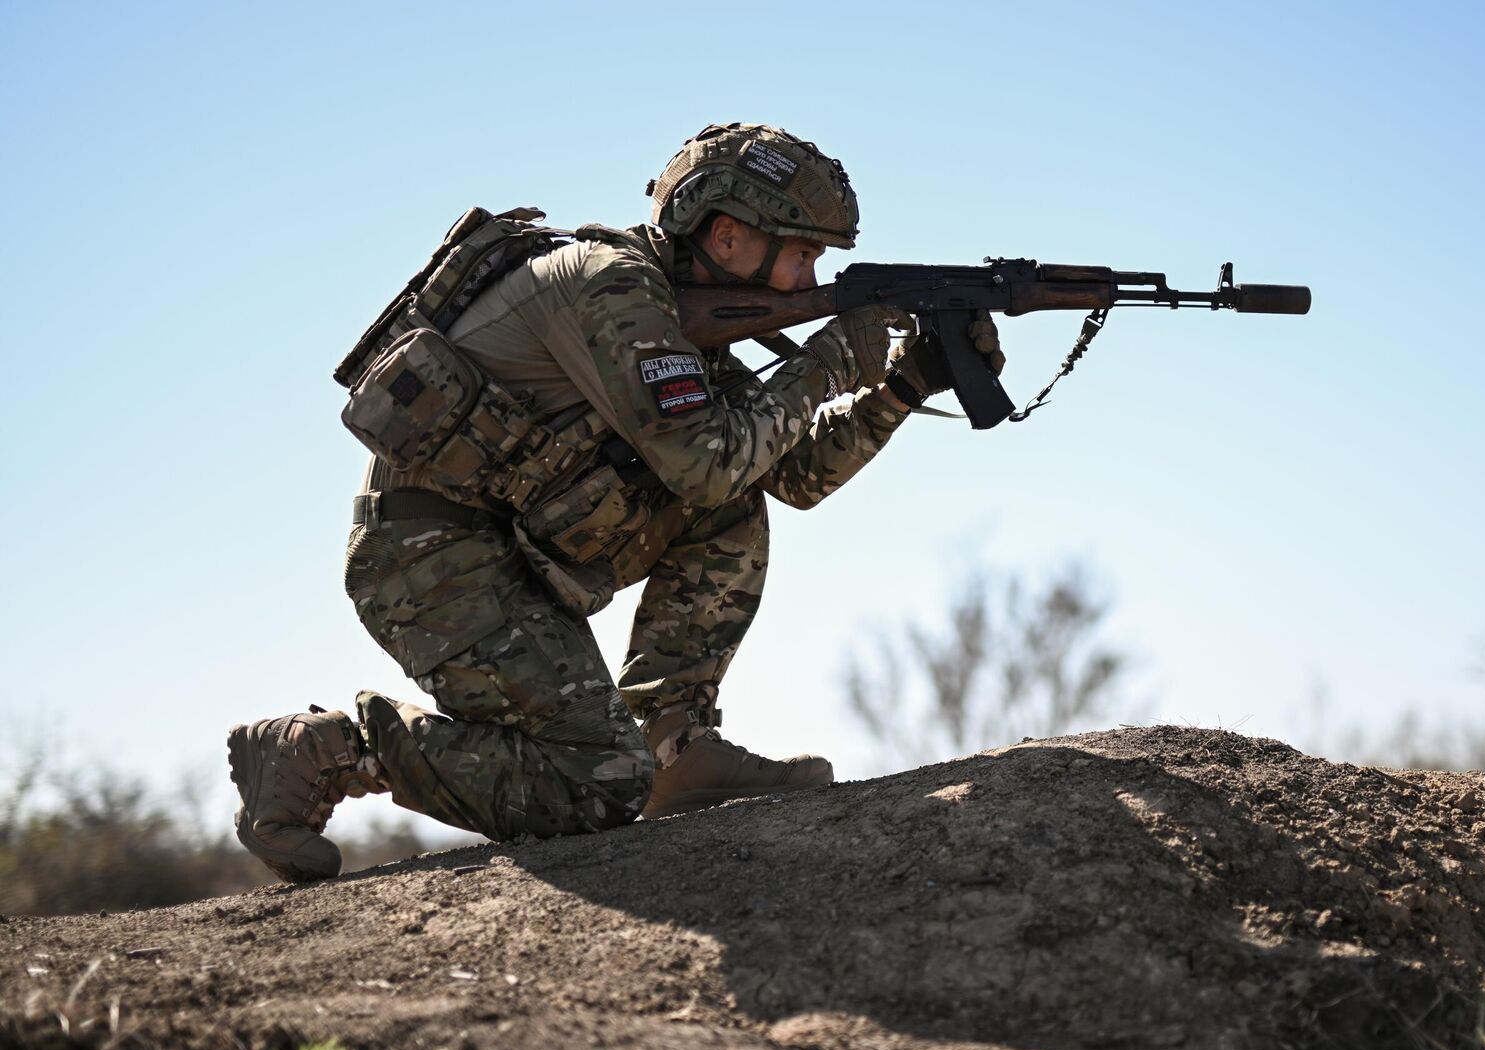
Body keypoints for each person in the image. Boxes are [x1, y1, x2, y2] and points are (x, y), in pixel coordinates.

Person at [226, 123, 1004, 882]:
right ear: (727, 236)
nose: (810, 282)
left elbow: (788, 475)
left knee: (732, 501)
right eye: (801, 254)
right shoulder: (614, 286)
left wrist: (904, 386)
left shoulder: (681, 317)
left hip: (515, 543)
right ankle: (332, 746)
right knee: (594, 786)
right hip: (430, 561)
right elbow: (707, 464)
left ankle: (675, 743)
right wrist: (829, 365)